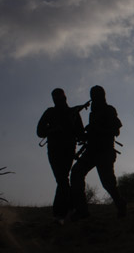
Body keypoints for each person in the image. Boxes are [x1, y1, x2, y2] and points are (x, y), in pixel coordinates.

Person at [70, 85, 126, 221]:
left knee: (108, 183)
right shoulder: (92, 113)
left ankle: (121, 205)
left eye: (96, 94)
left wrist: (97, 129)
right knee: (76, 173)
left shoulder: (108, 110)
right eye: (92, 94)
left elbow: (115, 131)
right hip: (91, 151)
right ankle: (82, 210)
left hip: (104, 151)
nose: (93, 97)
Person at [37, 88, 85, 224]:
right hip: (54, 150)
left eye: (60, 97)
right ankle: (69, 210)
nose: (59, 99)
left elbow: (80, 133)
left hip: (68, 150)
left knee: (62, 180)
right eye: (56, 97)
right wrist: (53, 130)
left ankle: (62, 213)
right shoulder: (50, 112)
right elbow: (40, 131)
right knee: (62, 180)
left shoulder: (73, 112)